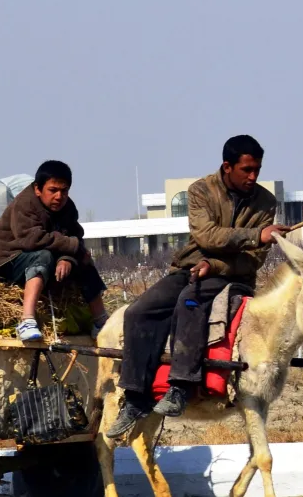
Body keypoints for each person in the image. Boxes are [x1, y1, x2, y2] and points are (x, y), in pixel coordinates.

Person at [106, 135, 288, 437]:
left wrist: (215, 265)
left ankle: (180, 386)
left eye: (257, 169)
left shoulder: (266, 202)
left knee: (190, 301)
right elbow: (206, 237)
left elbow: (252, 260)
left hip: (235, 276)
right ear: (227, 167)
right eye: (246, 170)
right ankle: (135, 396)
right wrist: (256, 234)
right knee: (138, 311)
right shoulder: (201, 191)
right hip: (191, 267)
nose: (253, 177)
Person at [0, 160, 109, 342]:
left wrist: (67, 258)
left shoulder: (67, 207)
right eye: (53, 190)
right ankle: (27, 320)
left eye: (64, 191)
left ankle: (100, 321)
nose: (59, 196)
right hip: (5, 257)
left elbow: (74, 235)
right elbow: (31, 240)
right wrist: (70, 247)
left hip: (38, 254)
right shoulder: (25, 204)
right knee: (43, 256)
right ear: (38, 189)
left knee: (83, 260)